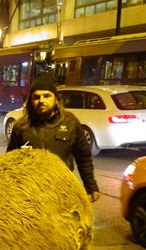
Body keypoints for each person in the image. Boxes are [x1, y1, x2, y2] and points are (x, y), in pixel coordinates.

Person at [7, 72, 100, 202]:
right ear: (30, 101)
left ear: (56, 99)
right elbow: (10, 160)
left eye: (46, 96)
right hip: (30, 193)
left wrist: (91, 186)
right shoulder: (21, 127)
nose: (41, 101)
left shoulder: (70, 123)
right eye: (36, 97)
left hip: (61, 191)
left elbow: (83, 157)